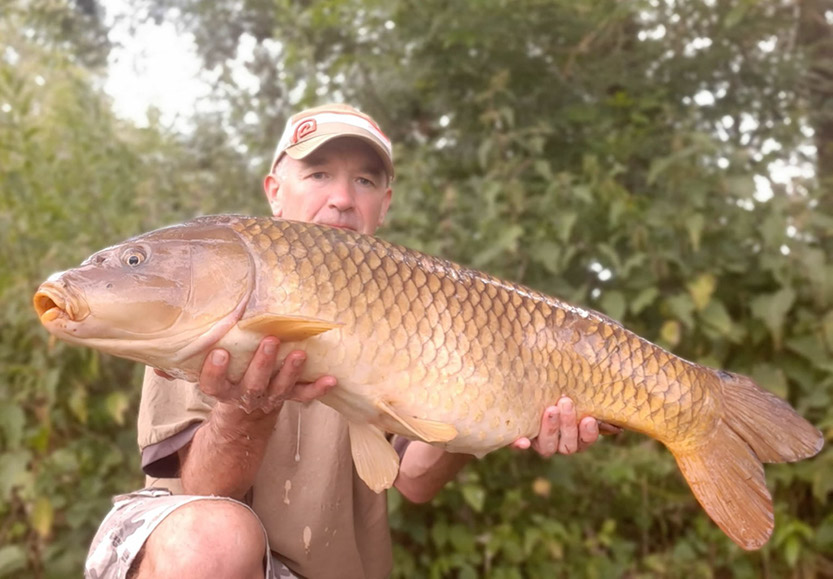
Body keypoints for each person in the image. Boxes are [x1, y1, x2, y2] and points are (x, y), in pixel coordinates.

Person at [85, 103, 606, 579]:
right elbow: (206, 495)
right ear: (274, 191)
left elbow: (415, 480)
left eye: (364, 180)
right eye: (318, 174)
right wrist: (247, 407)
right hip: (192, 551)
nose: (341, 199)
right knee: (213, 539)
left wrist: (496, 415)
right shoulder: (213, 285)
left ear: (385, 204)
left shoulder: (416, 301)